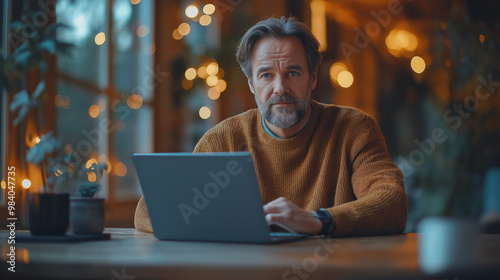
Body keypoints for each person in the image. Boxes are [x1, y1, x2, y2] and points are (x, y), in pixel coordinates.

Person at [134, 16, 407, 237]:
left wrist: (318, 220)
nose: (280, 88)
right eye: (266, 75)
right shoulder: (222, 141)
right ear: (252, 84)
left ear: (312, 78)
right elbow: (146, 213)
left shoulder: (354, 129)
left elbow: (392, 203)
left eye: (293, 73)